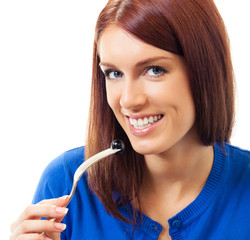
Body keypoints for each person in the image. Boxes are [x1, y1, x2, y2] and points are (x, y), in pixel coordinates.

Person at [10, 0, 250, 239]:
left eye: (154, 70)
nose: (128, 100)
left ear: (205, 71)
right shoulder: (67, 184)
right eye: (114, 73)